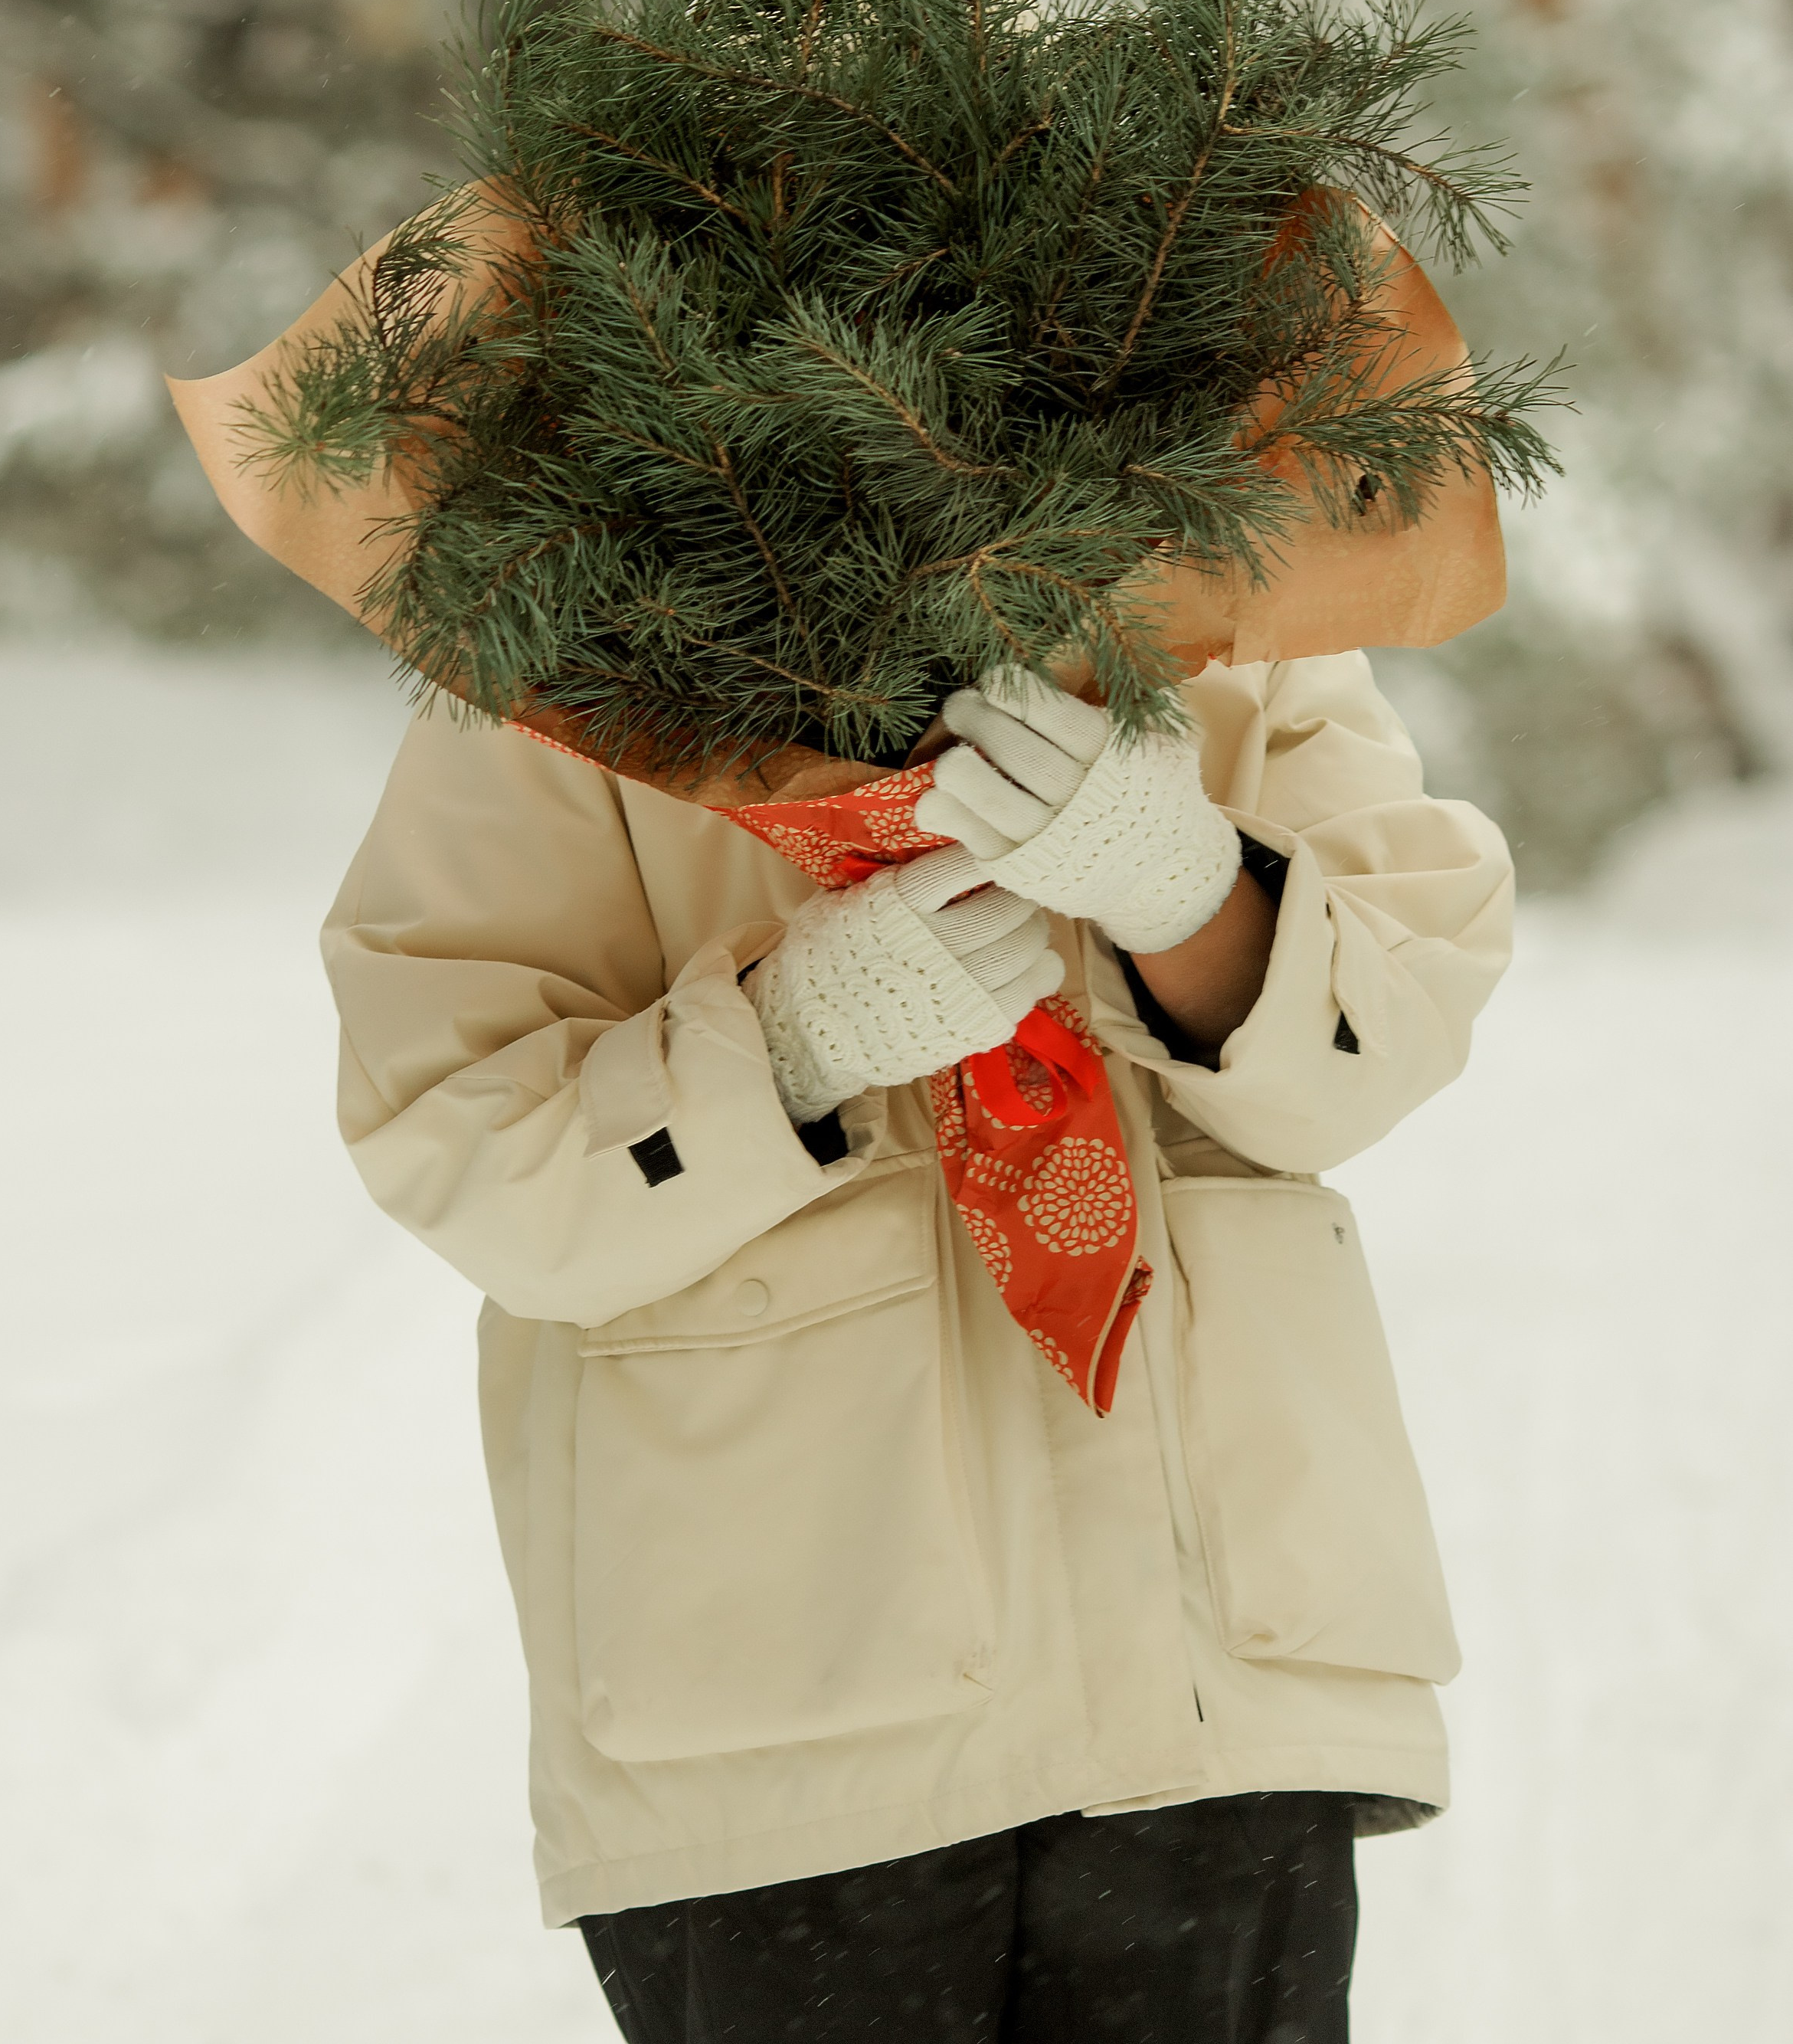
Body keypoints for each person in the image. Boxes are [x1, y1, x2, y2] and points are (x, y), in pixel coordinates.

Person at [322, 647, 1511, 2039]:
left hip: (1210, 1685)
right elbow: (460, 1142)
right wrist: (782, 1042)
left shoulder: (1217, 569)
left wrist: (1193, 892)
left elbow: (1400, 1012)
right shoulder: (568, 633)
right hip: (788, 1710)